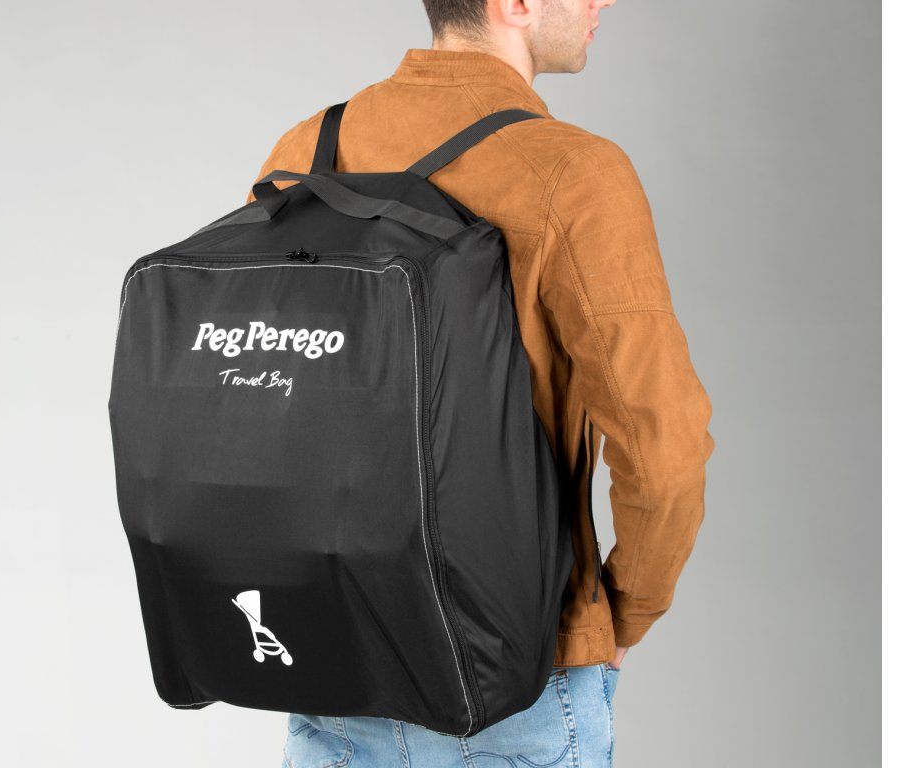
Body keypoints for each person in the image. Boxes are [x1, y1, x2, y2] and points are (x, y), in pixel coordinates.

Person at [246, 1, 715, 766]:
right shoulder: (572, 171)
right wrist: (622, 614)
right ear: (515, 4)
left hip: (331, 664)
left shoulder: (305, 149)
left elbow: (266, 395)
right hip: (517, 675)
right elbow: (665, 453)